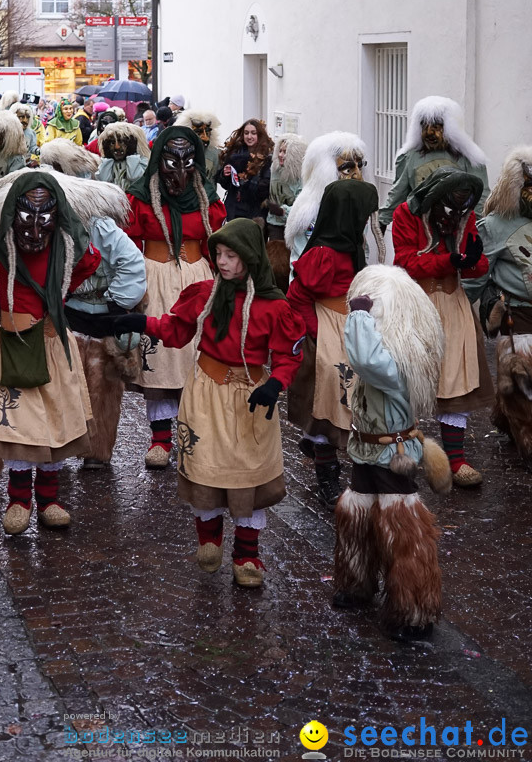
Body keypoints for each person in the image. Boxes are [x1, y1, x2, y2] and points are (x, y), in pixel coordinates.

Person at [114, 219, 305, 587]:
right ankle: (209, 541)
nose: (222, 262)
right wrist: (142, 322)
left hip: (250, 396)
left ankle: (247, 556)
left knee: (246, 468)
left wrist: (276, 382)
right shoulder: (204, 294)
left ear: (249, 258)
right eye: (218, 254)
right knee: (206, 464)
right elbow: (175, 330)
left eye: (231, 255)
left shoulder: (273, 307)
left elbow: (287, 355)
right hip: (205, 391)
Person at [0, 172, 100, 535]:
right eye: (27, 215)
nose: (35, 226)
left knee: (55, 419)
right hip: (15, 344)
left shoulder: (67, 247)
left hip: (54, 344)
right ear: (14, 213)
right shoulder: (1, 245)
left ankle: (49, 499)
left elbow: (91, 260)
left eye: (45, 216)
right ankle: (18, 501)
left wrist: (61, 289)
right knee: (20, 422)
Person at [0, 157, 146, 469]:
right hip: (68, 315)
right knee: (64, 383)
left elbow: (131, 261)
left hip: (105, 315)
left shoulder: (100, 226)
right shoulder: (43, 229)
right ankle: (63, 444)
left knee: (103, 386)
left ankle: (97, 451)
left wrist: (119, 302)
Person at [333, 264, 449, 642]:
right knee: (358, 514)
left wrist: (360, 316)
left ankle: (415, 609)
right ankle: (356, 582)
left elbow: (366, 359)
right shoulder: (391, 355)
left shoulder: (398, 364)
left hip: (392, 453)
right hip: (368, 449)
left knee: (404, 529)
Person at [125, 126, 227, 467]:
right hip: (154, 276)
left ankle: (194, 433)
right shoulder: (140, 198)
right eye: (171, 160)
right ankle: (161, 439)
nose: (180, 169)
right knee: (160, 359)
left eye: (187, 160)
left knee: (197, 356)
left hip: (198, 278)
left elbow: (218, 244)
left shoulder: (207, 198)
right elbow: (126, 244)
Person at [392, 168, 494, 486]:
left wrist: (472, 261)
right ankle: (399, 452)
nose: (455, 214)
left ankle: (456, 460)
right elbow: (406, 261)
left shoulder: (464, 218)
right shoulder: (405, 214)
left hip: (453, 305)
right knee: (406, 381)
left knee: (456, 380)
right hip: (415, 304)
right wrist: (450, 260)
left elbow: (478, 266)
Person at [287, 180, 380, 508]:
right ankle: (327, 474)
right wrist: (317, 335)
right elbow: (296, 297)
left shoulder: (349, 242)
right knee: (330, 400)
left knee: (357, 396)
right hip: (328, 329)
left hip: (349, 325)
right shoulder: (324, 253)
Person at [464, 147, 532, 466]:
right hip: (515, 315)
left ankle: (504, 416)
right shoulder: (494, 225)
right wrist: (458, 310)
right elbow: (478, 274)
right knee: (522, 380)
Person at [379, 96, 490, 230]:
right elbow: (398, 192)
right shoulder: (410, 158)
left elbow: (480, 197)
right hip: (420, 230)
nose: (429, 132)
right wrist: (382, 220)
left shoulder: (469, 158)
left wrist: (477, 230)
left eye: (436, 127)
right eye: (425, 126)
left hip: (457, 230)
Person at [285, 131, 386, 266]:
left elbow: (363, 250)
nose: (357, 175)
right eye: (348, 169)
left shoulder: (355, 209)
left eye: (360, 167)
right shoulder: (309, 212)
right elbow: (300, 262)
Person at [216, 119, 274, 222]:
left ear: (259, 135)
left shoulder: (267, 158)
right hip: (234, 208)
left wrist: (247, 183)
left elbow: (265, 187)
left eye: (253, 133)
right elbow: (225, 185)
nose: (249, 137)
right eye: (246, 133)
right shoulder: (234, 154)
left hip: (255, 211)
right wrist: (224, 174)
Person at [265, 133, 307, 239]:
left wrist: (282, 211)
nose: (280, 155)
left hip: (293, 227)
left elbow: (302, 206)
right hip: (273, 224)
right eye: (280, 151)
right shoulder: (274, 169)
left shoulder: (301, 177)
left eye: (285, 152)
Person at [97, 121, 151, 190]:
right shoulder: (108, 162)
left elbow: (134, 177)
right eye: (112, 143)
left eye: (121, 142)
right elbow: (103, 179)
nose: (117, 147)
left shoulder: (142, 159)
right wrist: (108, 157)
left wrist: (131, 154)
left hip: (133, 199)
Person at [175, 109, 222, 181]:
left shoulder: (214, 154)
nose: (205, 138)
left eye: (207, 131)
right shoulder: (175, 153)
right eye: (198, 132)